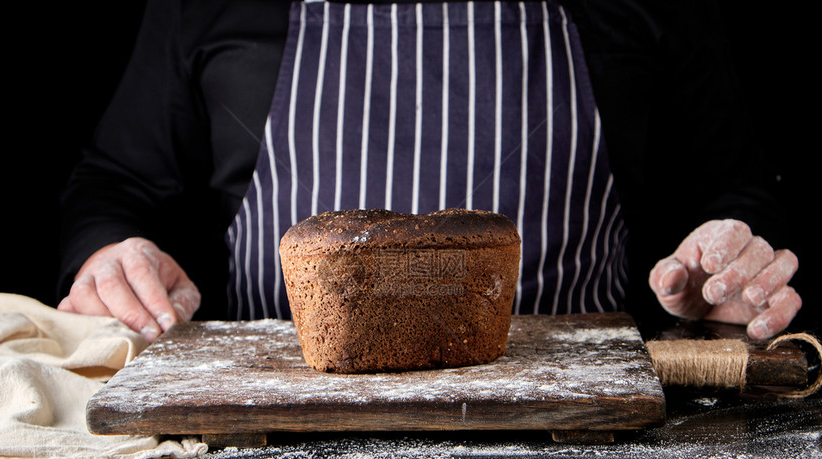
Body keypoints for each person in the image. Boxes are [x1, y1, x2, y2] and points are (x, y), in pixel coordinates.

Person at [58, 0, 801, 343]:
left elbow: (737, 186)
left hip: (571, 439)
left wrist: (726, 260)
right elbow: (115, 184)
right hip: (265, 443)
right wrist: (113, 252)